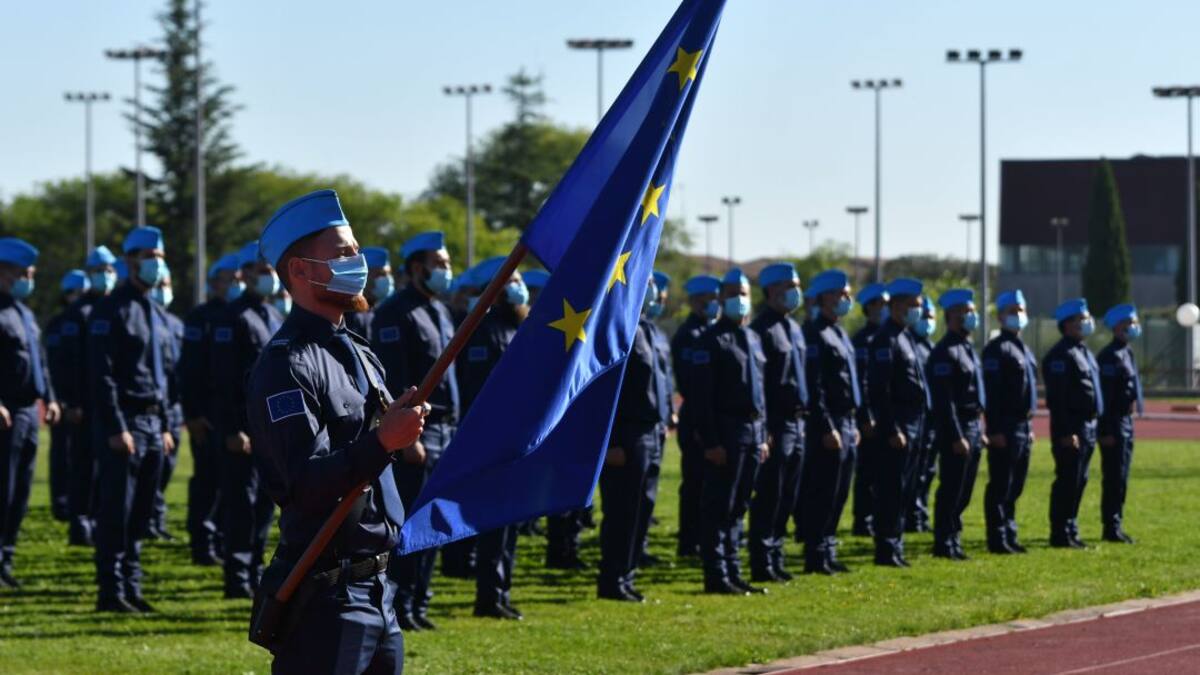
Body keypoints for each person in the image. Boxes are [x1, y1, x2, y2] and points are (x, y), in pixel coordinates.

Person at [249, 188, 427, 674]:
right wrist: (382, 442)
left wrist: (399, 429)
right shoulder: (286, 365)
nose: (360, 262)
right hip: (326, 599)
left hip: (379, 590)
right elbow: (302, 484)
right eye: (344, 254)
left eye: (357, 250)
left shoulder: (358, 351)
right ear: (301, 272)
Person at [371, 231, 459, 632]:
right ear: (416, 268)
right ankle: (400, 604)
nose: (445, 270)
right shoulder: (394, 312)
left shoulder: (438, 311)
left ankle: (421, 601)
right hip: (416, 433)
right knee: (407, 525)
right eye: (438, 264)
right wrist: (411, 437)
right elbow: (392, 381)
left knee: (435, 523)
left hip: (447, 428)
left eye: (446, 263)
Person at [87, 226, 174, 611]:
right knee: (116, 510)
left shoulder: (154, 310)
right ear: (128, 261)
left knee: (140, 512)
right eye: (146, 256)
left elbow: (163, 375)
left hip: (155, 425)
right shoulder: (111, 310)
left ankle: (132, 587)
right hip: (127, 423)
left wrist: (168, 424)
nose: (154, 263)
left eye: (158, 256)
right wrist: (116, 426)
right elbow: (100, 375)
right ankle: (111, 591)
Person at [456, 258, 529, 617]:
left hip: (517, 437)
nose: (519, 287)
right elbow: (477, 391)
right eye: (512, 281)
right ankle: (488, 596)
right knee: (494, 524)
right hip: (492, 439)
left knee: (511, 521)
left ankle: (501, 592)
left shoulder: (518, 326)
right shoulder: (482, 331)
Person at [212, 241, 284, 598]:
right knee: (241, 505)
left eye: (271, 269)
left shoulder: (272, 315)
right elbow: (223, 381)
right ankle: (237, 577)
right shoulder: (233, 317)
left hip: (268, 431)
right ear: (245, 274)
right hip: (242, 430)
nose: (269, 276)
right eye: (261, 270)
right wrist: (231, 429)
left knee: (263, 507)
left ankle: (256, 571)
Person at [691, 268, 768, 596]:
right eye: (733, 292)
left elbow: (760, 391)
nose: (740, 298)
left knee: (739, 506)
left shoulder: (751, 337)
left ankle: (733, 571)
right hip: (726, 430)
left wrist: (763, 435)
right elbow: (700, 398)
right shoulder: (710, 340)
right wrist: (711, 442)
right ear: (721, 297)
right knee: (719, 506)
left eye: (744, 292)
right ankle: (716, 573)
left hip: (752, 431)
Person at [598, 277, 673, 602]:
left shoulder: (650, 330)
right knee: (622, 511)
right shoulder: (618, 327)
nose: (651, 291)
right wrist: (610, 442)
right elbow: (604, 391)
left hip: (651, 432)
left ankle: (627, 575)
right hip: (626, 434)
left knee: (643, 509)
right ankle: (612, 579)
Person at [0, 238, 61, 589]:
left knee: (20, 492)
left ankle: (5, 559)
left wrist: (49, 398)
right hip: (5, 412)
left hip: (28, 414)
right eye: (24, 273)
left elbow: (40, 362)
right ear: (6, 273)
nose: (29, 279)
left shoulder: (24, 312)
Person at [179, 252, 240, 566]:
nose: (233, 284)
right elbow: (189, 371)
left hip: (230, 413)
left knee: (231, 485)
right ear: (214, 282)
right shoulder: (200, 317)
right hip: (208, 414)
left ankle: (220, 540)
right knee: (207, 481)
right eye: (227, 279)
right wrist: (192, 414)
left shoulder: (240, 314)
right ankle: (202, 542)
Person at [747, 263, 806, 582]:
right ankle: (762, 560)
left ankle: (777, 555)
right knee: (770, 493)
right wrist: (765, 429)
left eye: (796, 285)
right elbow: (760, 385)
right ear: (771, 291)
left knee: (789, 495)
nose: (794, 291)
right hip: (777, 424)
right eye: (788, 286)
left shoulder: (794, 328)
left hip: (798, 424)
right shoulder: (761, 330)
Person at [58, 245, 119, 547]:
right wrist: (73, 401)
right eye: (99, 272)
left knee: (106, 468)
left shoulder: (117, 308)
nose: (106, 277)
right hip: (85, 405)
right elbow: (68, 363)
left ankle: (97, 519)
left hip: (107, 405)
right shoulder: (77, 312)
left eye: (109, 271)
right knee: (83, 465)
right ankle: (79, 522)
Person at [800, 269, 861, 574]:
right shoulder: (815, 333)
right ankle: (815, 553)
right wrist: (827, 426)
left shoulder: (839, 332)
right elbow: (815, 386)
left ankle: (829, 549)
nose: (846, 299)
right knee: (823, 491)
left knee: (840, 492)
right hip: (830, 424)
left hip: (847, 423)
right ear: (825, 297)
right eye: (842, 294)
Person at [866, 278, 928, 567]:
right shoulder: (886, 338)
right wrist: (892, 429)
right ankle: (886, 548)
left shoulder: (906, 336)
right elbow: (880, 390)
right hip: (898, 424)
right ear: (898, 306)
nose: (917, 310)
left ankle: (896, 545)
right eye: (913, 305)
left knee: (906, 489)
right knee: (891, 489)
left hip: (914, 423)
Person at [927, 288, 985, 560]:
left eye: (972, 310)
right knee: (951, 486)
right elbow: (944, 401)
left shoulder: (966, 348)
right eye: (966, 311)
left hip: (973, 426)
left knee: (965, 488)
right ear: (952, 315)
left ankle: (954, 537)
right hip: (958, 427)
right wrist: (956, 435)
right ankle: (944, 541)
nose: (972, 316)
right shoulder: (944, 352)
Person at [1043, 298, 1103, 548]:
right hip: (1072, 427)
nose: (1086, 323)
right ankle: (1060, 532)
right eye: (1081, 319)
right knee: (1068, 480)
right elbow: (1057, 399)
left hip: (1088, 426)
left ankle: (1071, 529)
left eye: (1086, 318)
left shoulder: (1083, 352)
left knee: (1080, 479)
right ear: (1067, 324)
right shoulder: (1060, 355)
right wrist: (1066, 432)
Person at [982, 290, 1038, 554]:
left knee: (1016, 484)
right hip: (1004, 425)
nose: (1019, 315)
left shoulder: (1023, 349)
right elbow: (991, 395)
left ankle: (1010, 533)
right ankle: (997, 537)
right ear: (1001, 317)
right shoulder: (996, 350)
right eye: (1013, 311)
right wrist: (993, 430)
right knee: (1001, 484)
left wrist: (1029, 427)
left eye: (1021, 309)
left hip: (1022, 426)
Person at [671, 273, 721, 557]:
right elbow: (690, 381)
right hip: (695, 417)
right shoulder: (688, 336)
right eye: (705, 300)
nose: (711, 305)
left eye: (714, 299)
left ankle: (702, 536)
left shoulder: (710, 333)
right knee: (694, 482)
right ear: (693, 302)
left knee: (708, 483)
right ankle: (689, 541)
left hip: (710, 414)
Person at [46, 269, 89, 521]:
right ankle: (61, 502)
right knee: (62, 452)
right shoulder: (59, 324)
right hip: (62, 399)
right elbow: (55, 364)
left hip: (81, 400)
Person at [1097, 304, 1142, 544]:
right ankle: (1110, 526)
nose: (1132, 328)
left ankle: (1117, 522)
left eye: (1134, 323)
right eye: (1127, 324)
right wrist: (1104, 431)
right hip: (1113, 423)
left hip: (1126, 421)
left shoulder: (1127, 353)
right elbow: (1103, 397)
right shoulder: (1109, 356)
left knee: (1122, 477)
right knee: (1114, 477)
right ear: (1115, 327)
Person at [147, 269, 184, 541]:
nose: (163, 290)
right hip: (153, 406)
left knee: (166, 466)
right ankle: (149, 520)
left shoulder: (174, 323)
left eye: (167, 284)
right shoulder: (146, 319)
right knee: (152, 469)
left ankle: (156, 519)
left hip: (173, 405)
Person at [850, 282, 887, 537]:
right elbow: (861, 384)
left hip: (885, 415)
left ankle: (876, 515)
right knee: (867, 471)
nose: (885, 310)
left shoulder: (888, 337)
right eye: (881, 305)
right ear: (870, 308)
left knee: (882, 471)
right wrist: (865, 418)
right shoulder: (863, 341)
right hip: (870, 417)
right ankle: (863, 519)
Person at [907, 297, 938, 533]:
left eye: (931, 317)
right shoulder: (910, 344)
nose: (927, 322)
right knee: (915, 470)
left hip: (931, 417)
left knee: (928, 469)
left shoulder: (931, 346)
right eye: (923, 316)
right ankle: (913, 516)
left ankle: (921, 513)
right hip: (916, 417)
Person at [345, 246, 392, 340]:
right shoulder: (352, 316)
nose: (387, 279)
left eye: (388, 274)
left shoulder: (380, 311)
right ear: (363, 276)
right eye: (381, 274)